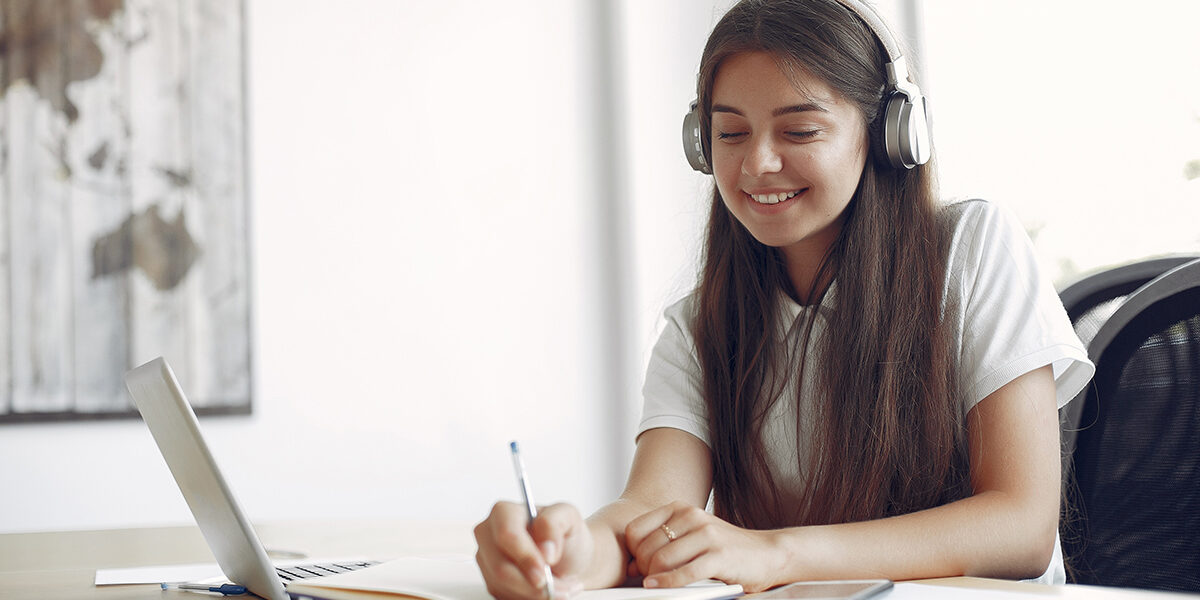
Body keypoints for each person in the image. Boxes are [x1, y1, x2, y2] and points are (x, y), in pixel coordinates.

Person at [474, 1, 1094, 597]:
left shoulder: (972, 250)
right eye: (730, 132)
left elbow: (1022, 527)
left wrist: (775, 553)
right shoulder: (701, 325)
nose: (757, 163)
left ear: (887, 136)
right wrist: (573, 553)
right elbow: (651, 511)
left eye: (799, 129)